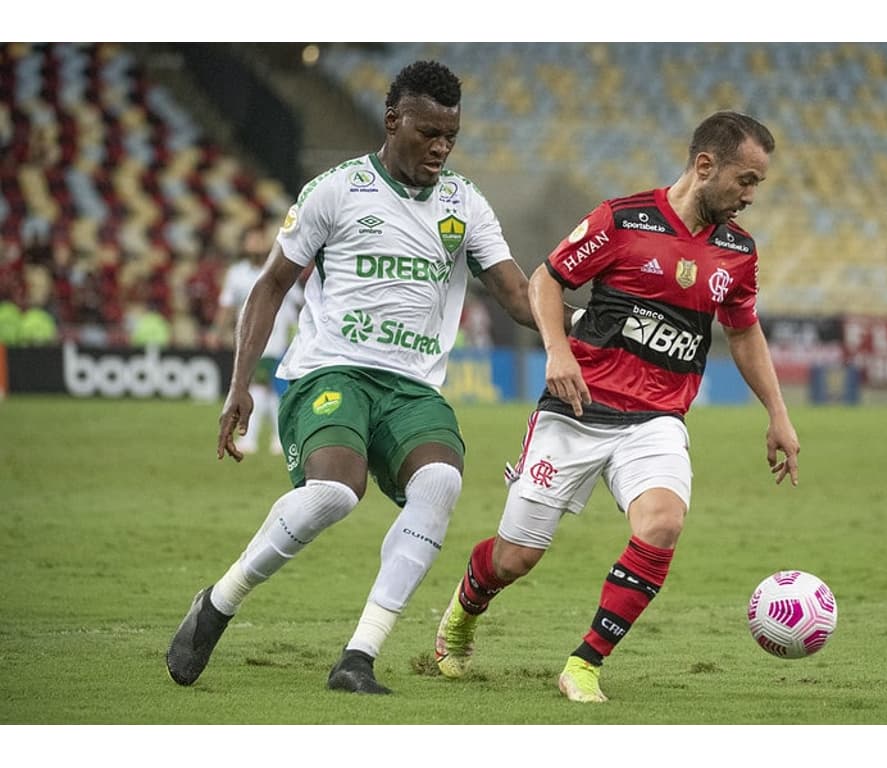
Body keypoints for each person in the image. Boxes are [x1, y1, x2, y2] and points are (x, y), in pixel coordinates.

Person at [166, 60, 576, 694]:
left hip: (412, 387)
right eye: (428, 133)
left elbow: (518, 296)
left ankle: (358, 657)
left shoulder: (464, 204)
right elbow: (271, 284)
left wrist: (581, 327)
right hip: (330, 373)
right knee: (336, 492)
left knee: (440, 480)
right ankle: (220, 600)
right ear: (393, 121)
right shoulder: (335, 189)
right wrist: (238, 386)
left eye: (451, 136)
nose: (441, 147)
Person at [434, 111, 801, 703]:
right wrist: (558, 352)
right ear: (705, 166)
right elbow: (547, 279)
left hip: (656, 420)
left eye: (758, 183)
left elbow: (743, 331)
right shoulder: (622, 220)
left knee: (663, 523)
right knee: (515, 557)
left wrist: (778, 414)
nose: (751, 196)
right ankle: (461, 615)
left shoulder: (738, 251)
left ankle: (584, 663)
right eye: (747, 179)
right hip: (576, 409)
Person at [209, 223, 304, 455]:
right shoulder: (237, 274)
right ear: (243, 245)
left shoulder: (278, 270)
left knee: (264, 386)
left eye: (260, 239)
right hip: (249, 338)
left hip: (277, 338)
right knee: (268, 388)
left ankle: (255, 439)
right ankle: (276, 439)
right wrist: (216, 331)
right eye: (252, 240)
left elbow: (300, 302)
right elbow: (228, 306)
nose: (257, 245)